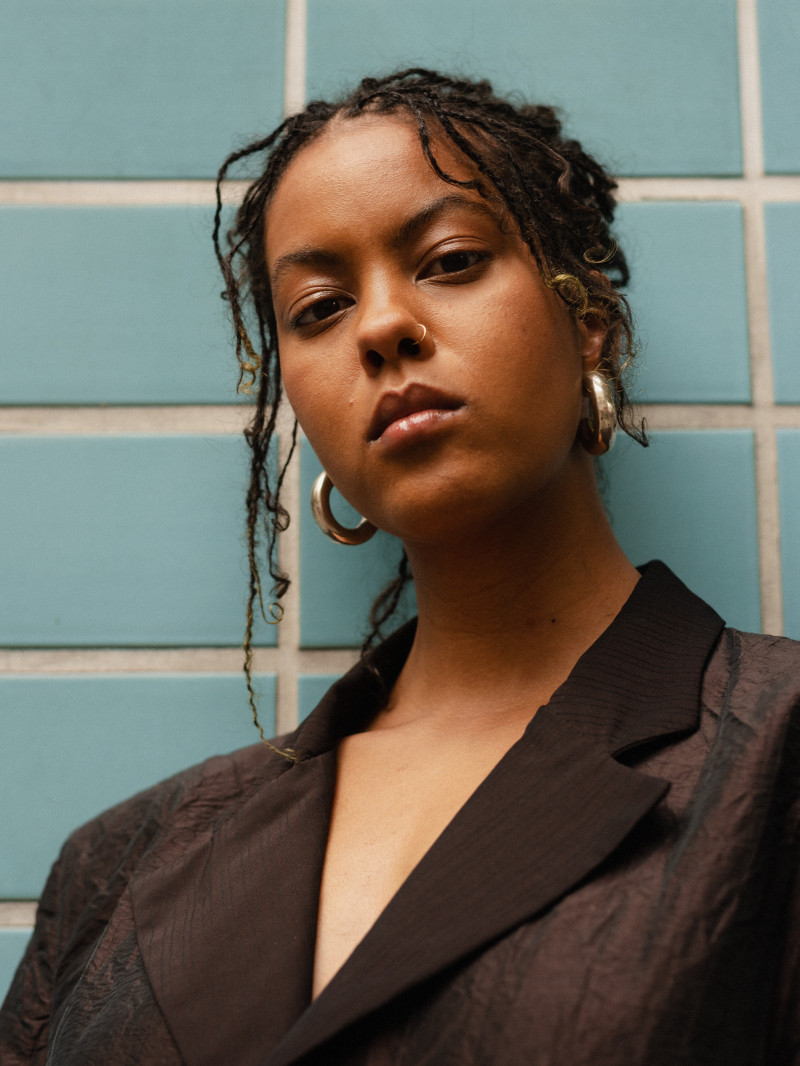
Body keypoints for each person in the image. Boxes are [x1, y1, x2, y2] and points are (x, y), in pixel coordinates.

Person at [1, 69, 798, 1066]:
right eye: (319, 308)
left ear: (586, 313)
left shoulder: (775, 752)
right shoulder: (118, 865)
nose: (380, 327)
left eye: (451, 260)